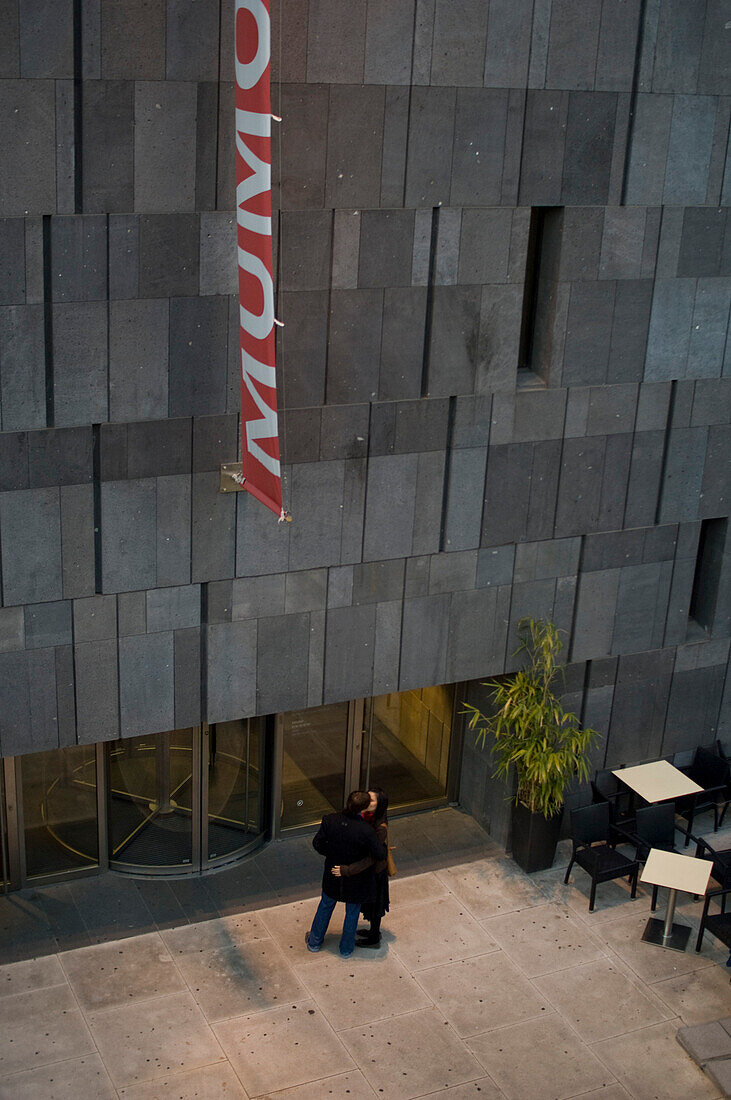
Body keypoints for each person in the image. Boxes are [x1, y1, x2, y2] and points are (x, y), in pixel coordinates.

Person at [306, 790, 387, 959]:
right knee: (352, 912)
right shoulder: (366, 830)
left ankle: (314, 941)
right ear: (363, 809)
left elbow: (317, 843)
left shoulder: (330, 820)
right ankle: (346, 948)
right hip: (357, 879)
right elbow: (379, 854)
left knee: (326, 905)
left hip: (333, 873)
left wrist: (332, 854)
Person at [334, 786, 390, 949]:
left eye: (371, 800)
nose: (367, 801)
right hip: (369, 870)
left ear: (379, 805)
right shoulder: (368, 816)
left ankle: (374, 937)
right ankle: (373, 932)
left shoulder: (380, 826)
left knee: (375, 905)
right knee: (370, 904)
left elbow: (372, 857)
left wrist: (348, 870)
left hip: (375, 872)